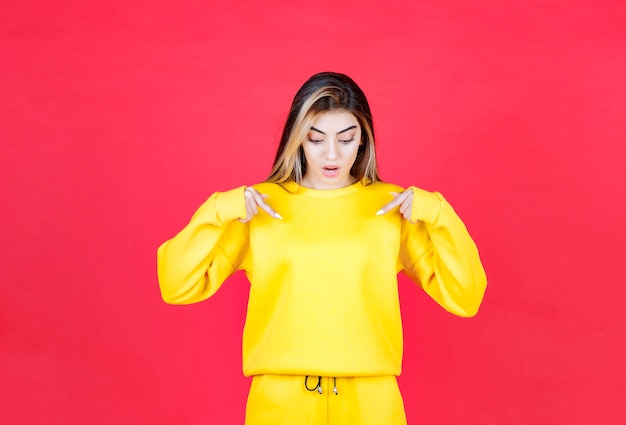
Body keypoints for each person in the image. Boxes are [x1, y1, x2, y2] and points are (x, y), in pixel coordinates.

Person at [157, 72, 487, 425]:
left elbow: (465, 297)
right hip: (280, 403)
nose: (332, 154)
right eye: (316, 139)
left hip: (371, 401)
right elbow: (177, 287)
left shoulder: (390, 208)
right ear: (297, 139)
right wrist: (217, 210)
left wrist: (438, 214)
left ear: (363, 139)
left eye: (346, 139)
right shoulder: (260, 206)